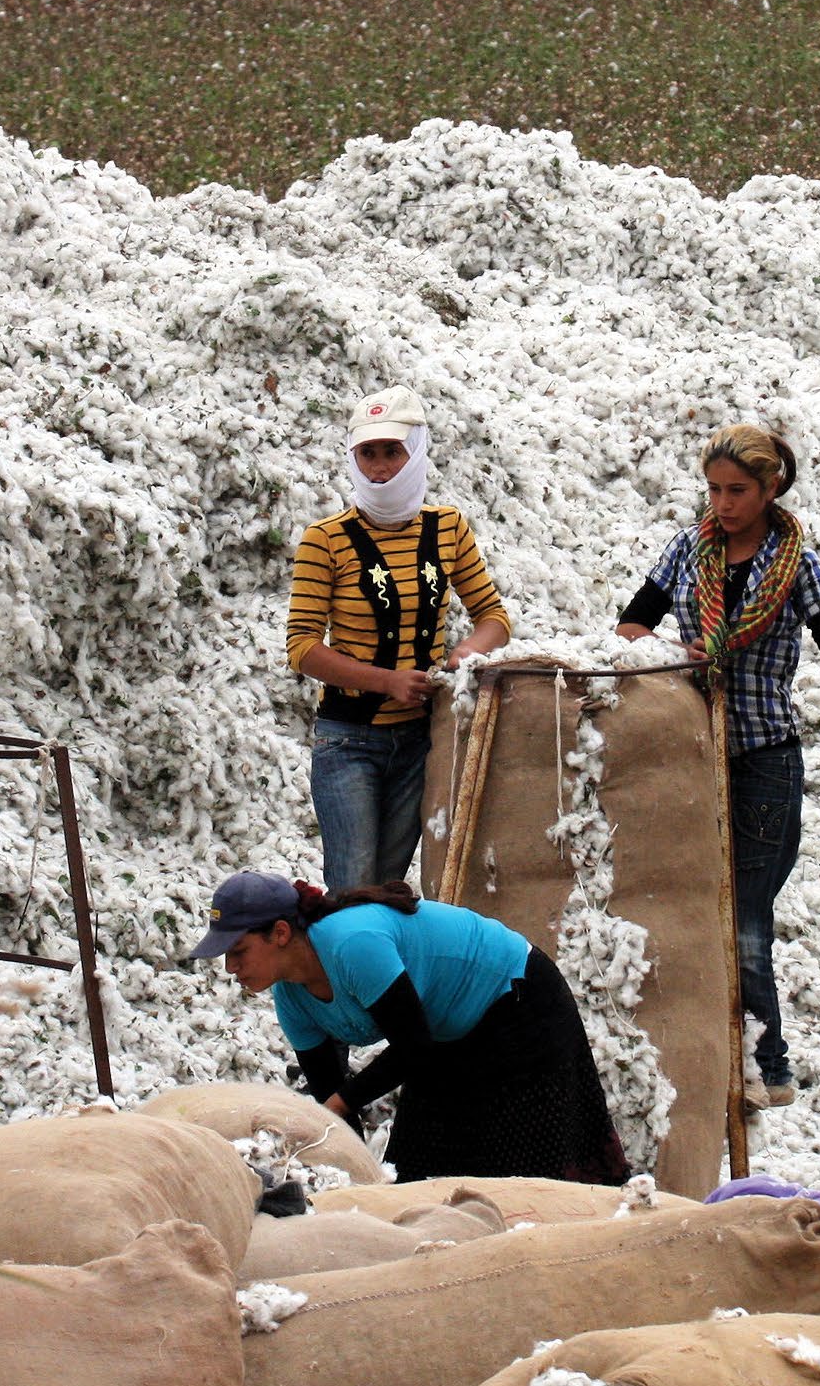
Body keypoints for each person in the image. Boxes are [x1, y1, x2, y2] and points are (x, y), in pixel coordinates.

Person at [614, 424, 820, 1111]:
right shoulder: (689, 550)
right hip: (692, 754)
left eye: (737, 491)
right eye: (715, 490)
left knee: (747, 911)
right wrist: (675, 653)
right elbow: (630, 626)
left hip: (763, 759)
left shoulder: (795, 564)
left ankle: (765, 1065)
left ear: (770, 487)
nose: (722, 504)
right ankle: (703, 1048)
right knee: (695, 905)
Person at [190, 871, 627, 1184]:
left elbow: (412, 1049)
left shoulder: (352, 944)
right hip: (441, 1037)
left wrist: (342, 1102)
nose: (230, 967)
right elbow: (332, 1102)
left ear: (280, 933)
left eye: (239, 951)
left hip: (516, 1000)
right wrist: (345, 1177)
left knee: (532, 1167)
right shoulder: (290, 996)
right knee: (420, 1173)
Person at [287, 385, 512, 890]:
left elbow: (493, 617)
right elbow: (302, 647)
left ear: (416, 453)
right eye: (368, 453)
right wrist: (386, 682)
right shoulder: (325, 539)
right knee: (352, 886)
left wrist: (465, 653)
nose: (380, 467)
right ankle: (338, 970)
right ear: (353, 457)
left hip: (420, 740)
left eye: (393, 451)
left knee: (388, 886)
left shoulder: (447, 527)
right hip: (349, 740)